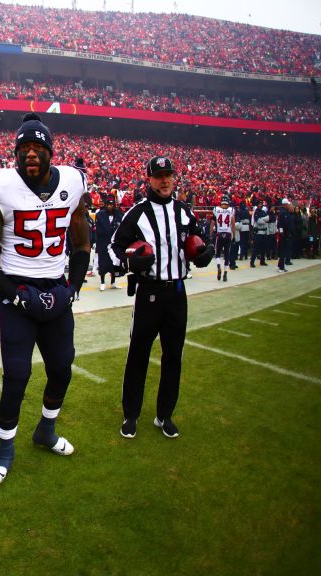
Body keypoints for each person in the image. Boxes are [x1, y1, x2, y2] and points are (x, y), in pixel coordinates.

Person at [0, 113, 92, 486]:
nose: (31, 154)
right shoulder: (1, 186)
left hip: (56, 286)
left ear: (51, 151)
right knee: (17, 375)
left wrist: (72, 287)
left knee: (62, 367)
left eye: (39, 147)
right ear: (15, 152)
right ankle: (5, 450)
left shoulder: (73, 181)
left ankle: (46, 430)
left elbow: (82, 240)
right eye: (24, 148)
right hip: (17, 290)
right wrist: (14, 295)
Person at [110, 156, 213, 439]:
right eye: (159, 176)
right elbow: (112, 247)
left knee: (173, 357)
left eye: (168, 175)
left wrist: (205, 253)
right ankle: (131, 414)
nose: (165, 180)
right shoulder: (137, 214)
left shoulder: (184, 211)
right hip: (149, 293)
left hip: (177, 293)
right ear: (149, 179)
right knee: (138, 355)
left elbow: (200, 240)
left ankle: (164, 415)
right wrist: (129, 263)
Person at [94, 197, 122, 291]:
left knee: (114, 263)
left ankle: (113, 282)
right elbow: (98, 231)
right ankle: (102, 282)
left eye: (111, 205)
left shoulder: (118, 215)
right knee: (103, 264)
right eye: (108, 204)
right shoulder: (100, 215)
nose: (110, 206)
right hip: (103, 244)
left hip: (114, 244)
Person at [211, 195, 236, 282]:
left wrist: (210, 234)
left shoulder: (216, 210)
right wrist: (234, 235)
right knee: (227, 255)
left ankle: (219, 267)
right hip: (228, 234)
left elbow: (212, 223)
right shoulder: (231, 210)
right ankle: (225, 273)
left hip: (219, 234)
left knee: (217, 254)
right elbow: (233, 224)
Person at [276, 198, 294, 272]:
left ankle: (280, 265)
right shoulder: (283, 213)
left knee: (284, 251)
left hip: (286, 233)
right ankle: (281, 267)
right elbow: (280, 225)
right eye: (288, 204)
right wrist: (282, 234)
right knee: (283, 251)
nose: (289, 205)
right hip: (284, 235)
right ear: (285, 204)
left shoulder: (286, 212)